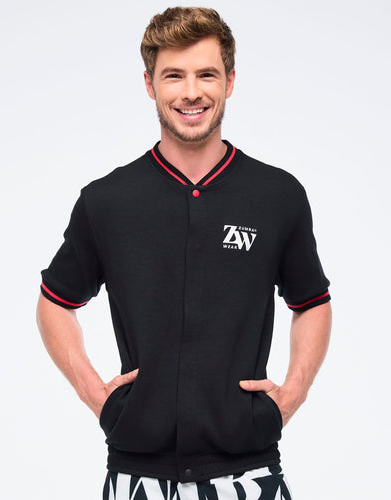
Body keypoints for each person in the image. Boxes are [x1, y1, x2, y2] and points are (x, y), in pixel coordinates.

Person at [36, 6, 332, 500]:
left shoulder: (277, 196)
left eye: (206, 74)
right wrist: (94, 393)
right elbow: (54, 301)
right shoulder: (107, 202)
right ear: (150, 85)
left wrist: (293, 393)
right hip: (137, 478)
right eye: (173, 75)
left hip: (249, 474)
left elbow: (312, 302)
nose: (191, 92)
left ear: (230, 81)